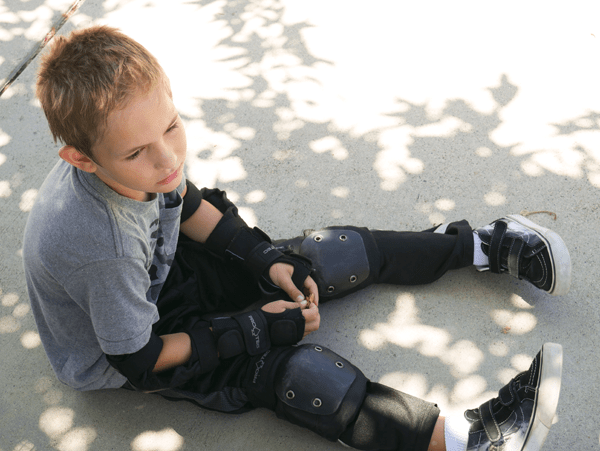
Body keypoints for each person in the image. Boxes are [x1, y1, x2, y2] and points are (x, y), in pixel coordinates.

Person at [23, 25, 571, 451]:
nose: (168, 159)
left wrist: (263, 258)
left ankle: (475, 245)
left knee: (319, 258)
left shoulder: (131, 156)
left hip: (160, 271)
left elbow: (184, 203)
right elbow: (139, 359)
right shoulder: (103, 249)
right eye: (138, 152)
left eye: (170, 127)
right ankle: (462, 440)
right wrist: (250, 328)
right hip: (131, 340)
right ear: (81, 159)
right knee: (294, 372)